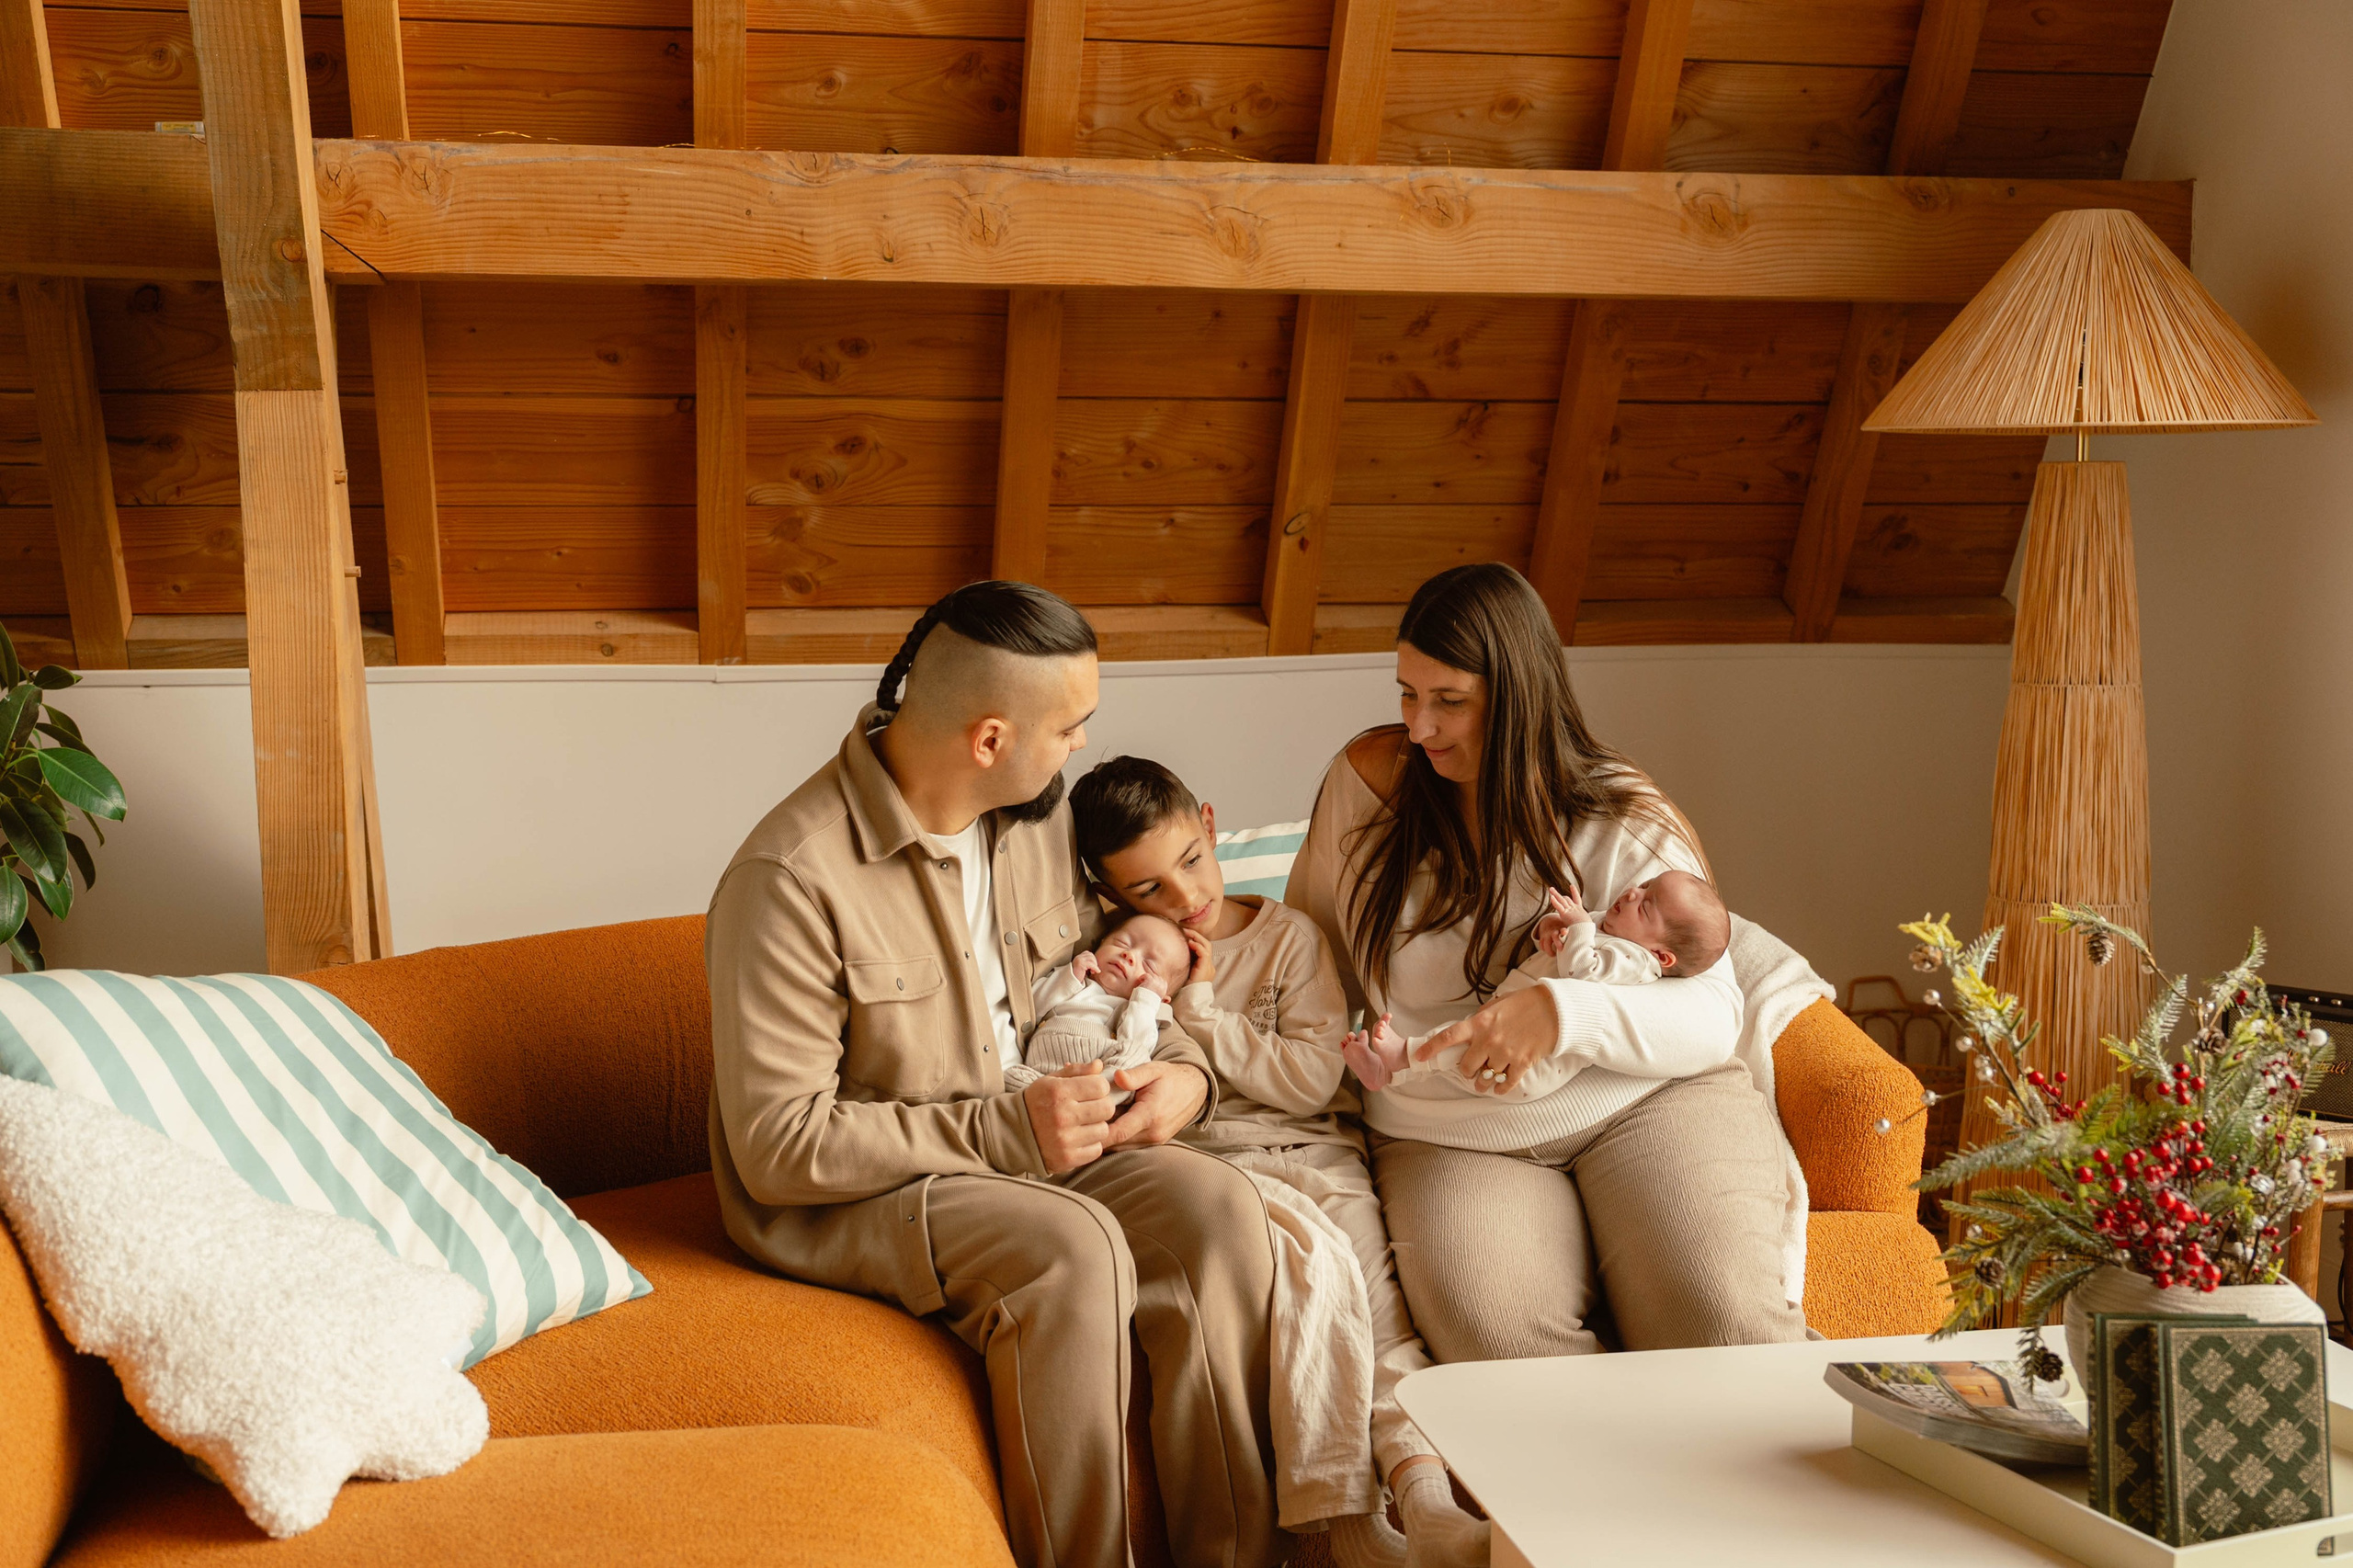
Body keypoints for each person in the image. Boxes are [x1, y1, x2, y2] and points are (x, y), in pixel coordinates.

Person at [704, 581, 1283, 1568]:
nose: (1079, 750)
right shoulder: (790, 879)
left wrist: (1184, 1077)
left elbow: (1119, 976)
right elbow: (777, 1148)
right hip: (862, 1192)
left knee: (1218, 1207)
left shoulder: (1034, 827)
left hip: (1034, 1130)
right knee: (1072, 1247)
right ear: (987, 738)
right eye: (1068, 727)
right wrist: (1007, 1133)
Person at [1287, 562, 1811, 1362]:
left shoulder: (1618, 813)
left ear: (1518, 695)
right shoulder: (1368, 791)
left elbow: (1711, 1011)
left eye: (1449, 702)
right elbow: (1309, 954)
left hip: (1644, 1099)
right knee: (1501, 1345)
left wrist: (1565, 1012)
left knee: (1723, 1325)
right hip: (1452, 1131)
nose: (1421, 727)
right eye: (1407, 694)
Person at [1071, 756, 1491, 1568]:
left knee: (1377, 1304)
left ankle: (1425, 1499)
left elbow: (1311, 1079)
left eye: (1191, 860)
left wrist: (1203, 1017)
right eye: (1148, 890)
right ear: (1111, 894)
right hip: (1219, 1169)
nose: (1186, 898)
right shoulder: (1124, 957)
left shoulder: (1289, 938)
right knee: (1309, 1288)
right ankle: (1352, 1529)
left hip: (1318, 1152)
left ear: (1210, 822)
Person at [1342, 871, 1732, 1096]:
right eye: (1645, 885)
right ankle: (1387, 1073)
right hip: (1511, 1016)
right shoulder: (1616, 930)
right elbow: (1566, 949)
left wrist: (1578, 927)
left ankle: (1399, 1059)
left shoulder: (1636, 961)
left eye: (1646, 906)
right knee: (1460, 1045)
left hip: (1534, 1066)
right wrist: (1549, 929)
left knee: (1460, 1043)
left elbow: (1583, 971)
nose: (1633, 892)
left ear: (1663, 958)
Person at [1006, 910, 1190, 1102]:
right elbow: (1028, 1009)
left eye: (1149, 966)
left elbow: (1138, 1045)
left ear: (1160, 999)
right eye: (1122, 943)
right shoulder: (1075, 984)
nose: (1129, 955)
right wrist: (1069, 976)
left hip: (1099, 1075)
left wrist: (1147, 1000)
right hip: (1039, 1076)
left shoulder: (1133, 1011)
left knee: (1133, 1060)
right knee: (1010, 1079)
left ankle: (1093, 1099)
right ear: (1101, 943)